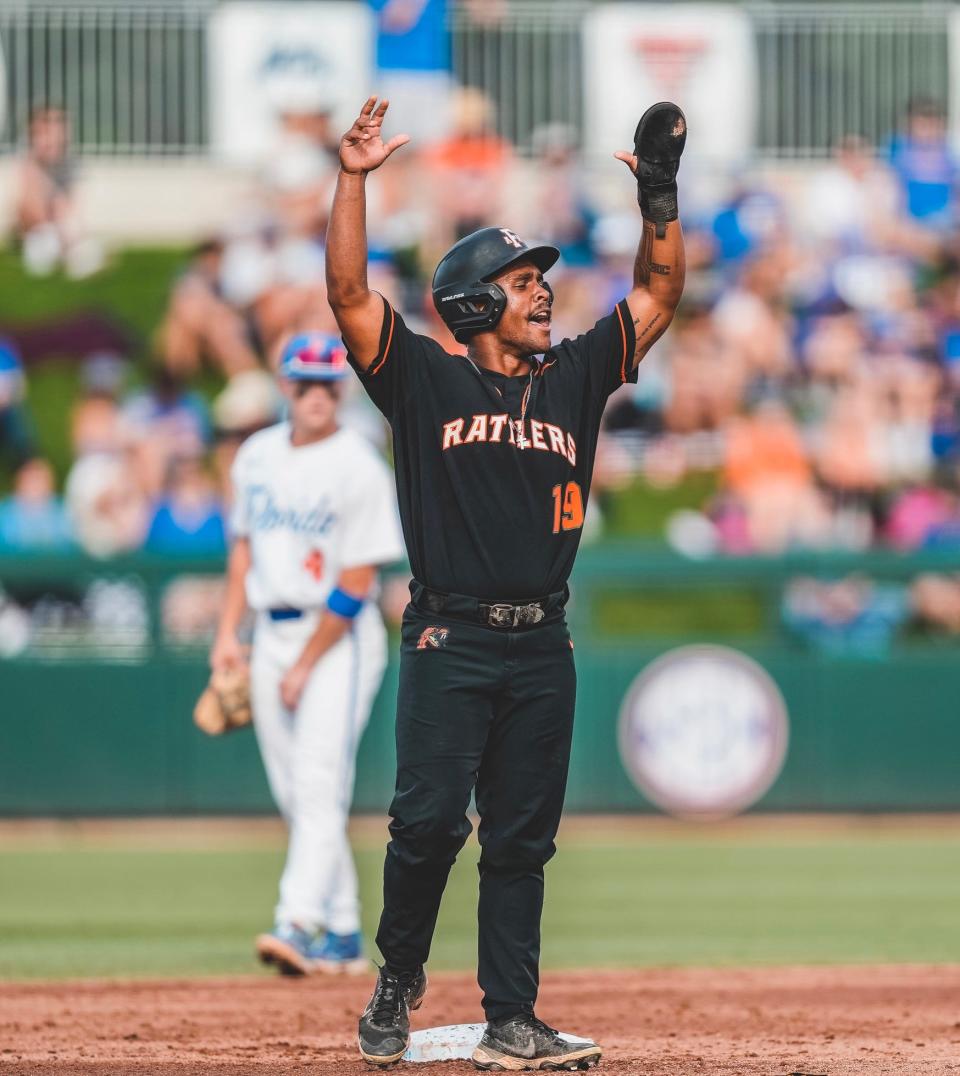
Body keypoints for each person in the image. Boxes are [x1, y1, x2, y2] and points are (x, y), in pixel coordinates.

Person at [325, 97, 686, 1069]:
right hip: (451, 635)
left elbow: (656, 297)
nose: (542, 295)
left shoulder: (571, 377)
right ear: (475, 300)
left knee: (522, 839)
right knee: (428, 822)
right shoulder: (426, 381)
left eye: (540, 281)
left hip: (542, 642)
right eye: (523, 282)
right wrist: (353, 179)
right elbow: (352, 293)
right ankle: (400, 975)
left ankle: (512, 1015)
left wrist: (659, 198)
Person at [209, 332, 403, 976]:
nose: (316, 394)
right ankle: (344, 931)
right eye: (304, 382)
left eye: (327, 384)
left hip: (337, 638)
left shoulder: (359, 465)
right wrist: (227, 635)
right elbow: (242, 551)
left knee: (320, 782)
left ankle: (296, 919)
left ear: (341, 391)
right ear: (286, 387)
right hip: (269, 628)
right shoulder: (257, 456)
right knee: (296, 791)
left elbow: (357, 584)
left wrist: (304, 664)